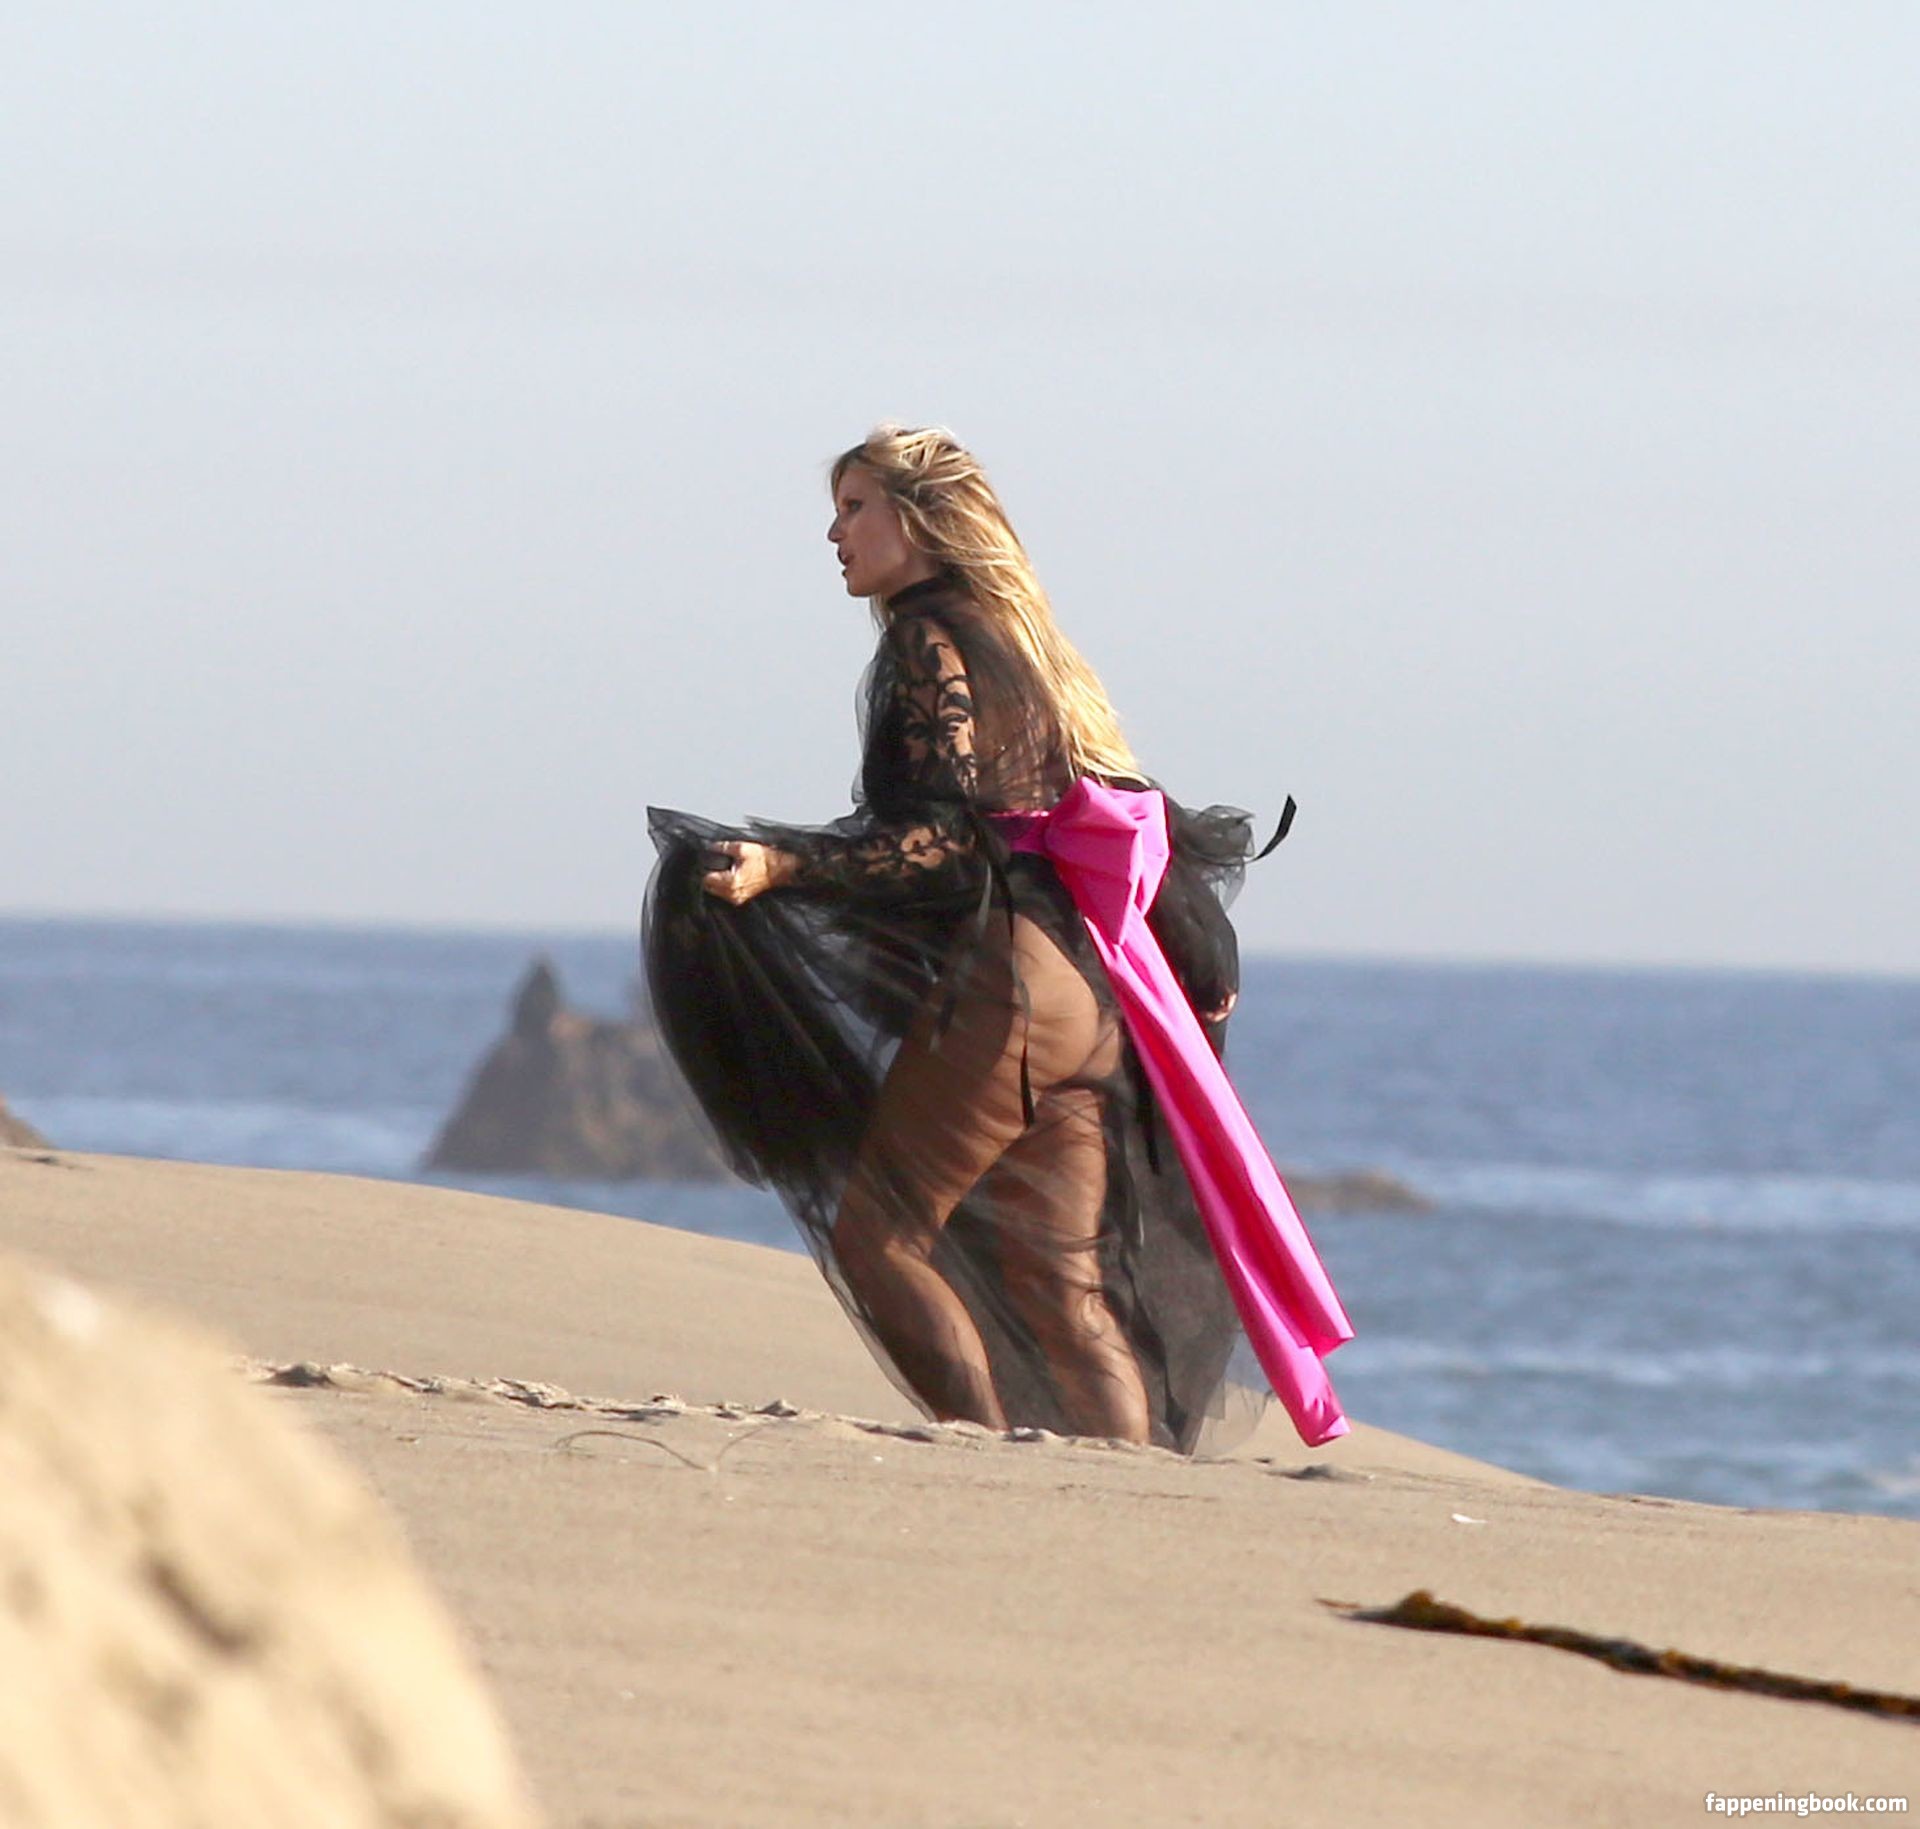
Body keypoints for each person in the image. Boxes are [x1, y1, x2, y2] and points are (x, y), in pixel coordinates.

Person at [642, 423, 1351, 1453]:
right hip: (1085, 994)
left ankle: (981, 1463)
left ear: (921, 519)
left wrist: (781, 864)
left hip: (1011, 980)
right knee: (1064, 1285)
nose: (834, 534)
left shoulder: (928, 641)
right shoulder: (1026, 648)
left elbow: (944, 841)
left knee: (881, 1234)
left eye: (855, 508)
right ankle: (1138, 1493)